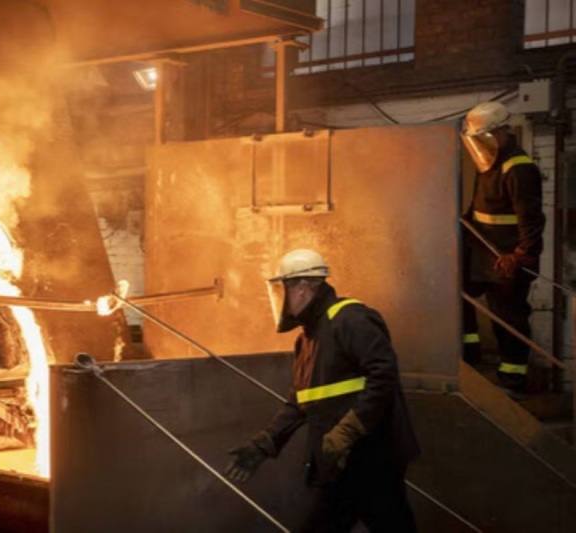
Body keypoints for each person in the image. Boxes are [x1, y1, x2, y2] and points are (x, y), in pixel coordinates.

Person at [224, 248, 420, 532]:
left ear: (303, 288)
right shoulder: (307, 340)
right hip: (339, 464)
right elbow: (299, 402)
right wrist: (264, 443)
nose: (281, 299)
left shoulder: (351, 318)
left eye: (284, 290)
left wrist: (348, 429)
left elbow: (383, 375)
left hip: (371, 458)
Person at [460, 101, 545, 395]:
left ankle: (513, 381)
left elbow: (532, 219)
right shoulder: (489, 163)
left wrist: (521, 255)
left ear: (500, 132)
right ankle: (469, 357)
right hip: (482, 251)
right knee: (458, 297)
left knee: (508, 319)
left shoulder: (518, 168)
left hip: (506, 257)